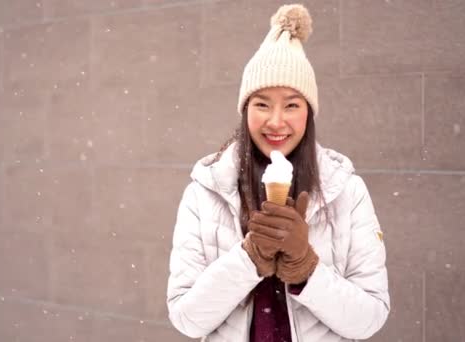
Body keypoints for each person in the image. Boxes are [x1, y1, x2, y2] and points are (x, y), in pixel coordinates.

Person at [166, 3, 389, 342]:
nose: (275, 121)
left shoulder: (346, 191)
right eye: (261, 104)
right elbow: (187, 319)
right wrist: (249, 258)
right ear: (245, 110)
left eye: (291, 104)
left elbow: (369, 319)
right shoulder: (205, 192)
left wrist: (306, 268)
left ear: (308, 113)